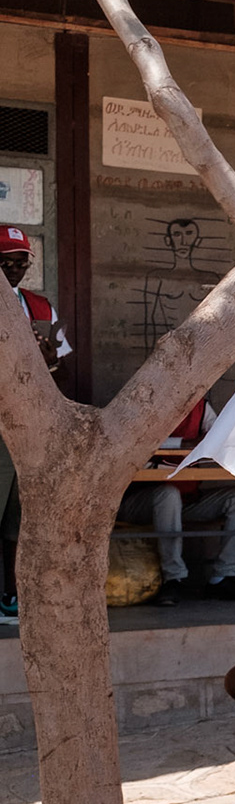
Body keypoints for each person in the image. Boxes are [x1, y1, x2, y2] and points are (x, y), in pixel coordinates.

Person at [117, 395, 235, 605]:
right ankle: (173, 578)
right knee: (168, 494)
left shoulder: (200, 407)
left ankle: (223, 577)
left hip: (187, 499)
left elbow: (220, 435)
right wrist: (185, 443)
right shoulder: (148, 401)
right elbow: (138, 440)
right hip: (141, 501)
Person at [0, 225, 69, 618]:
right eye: (5, 259)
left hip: (30, 424)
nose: (13, 266)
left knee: (19, 517)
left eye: (20, 260)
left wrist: (46, 361)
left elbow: (60, 366)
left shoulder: (39, 308)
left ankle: (12, 596)